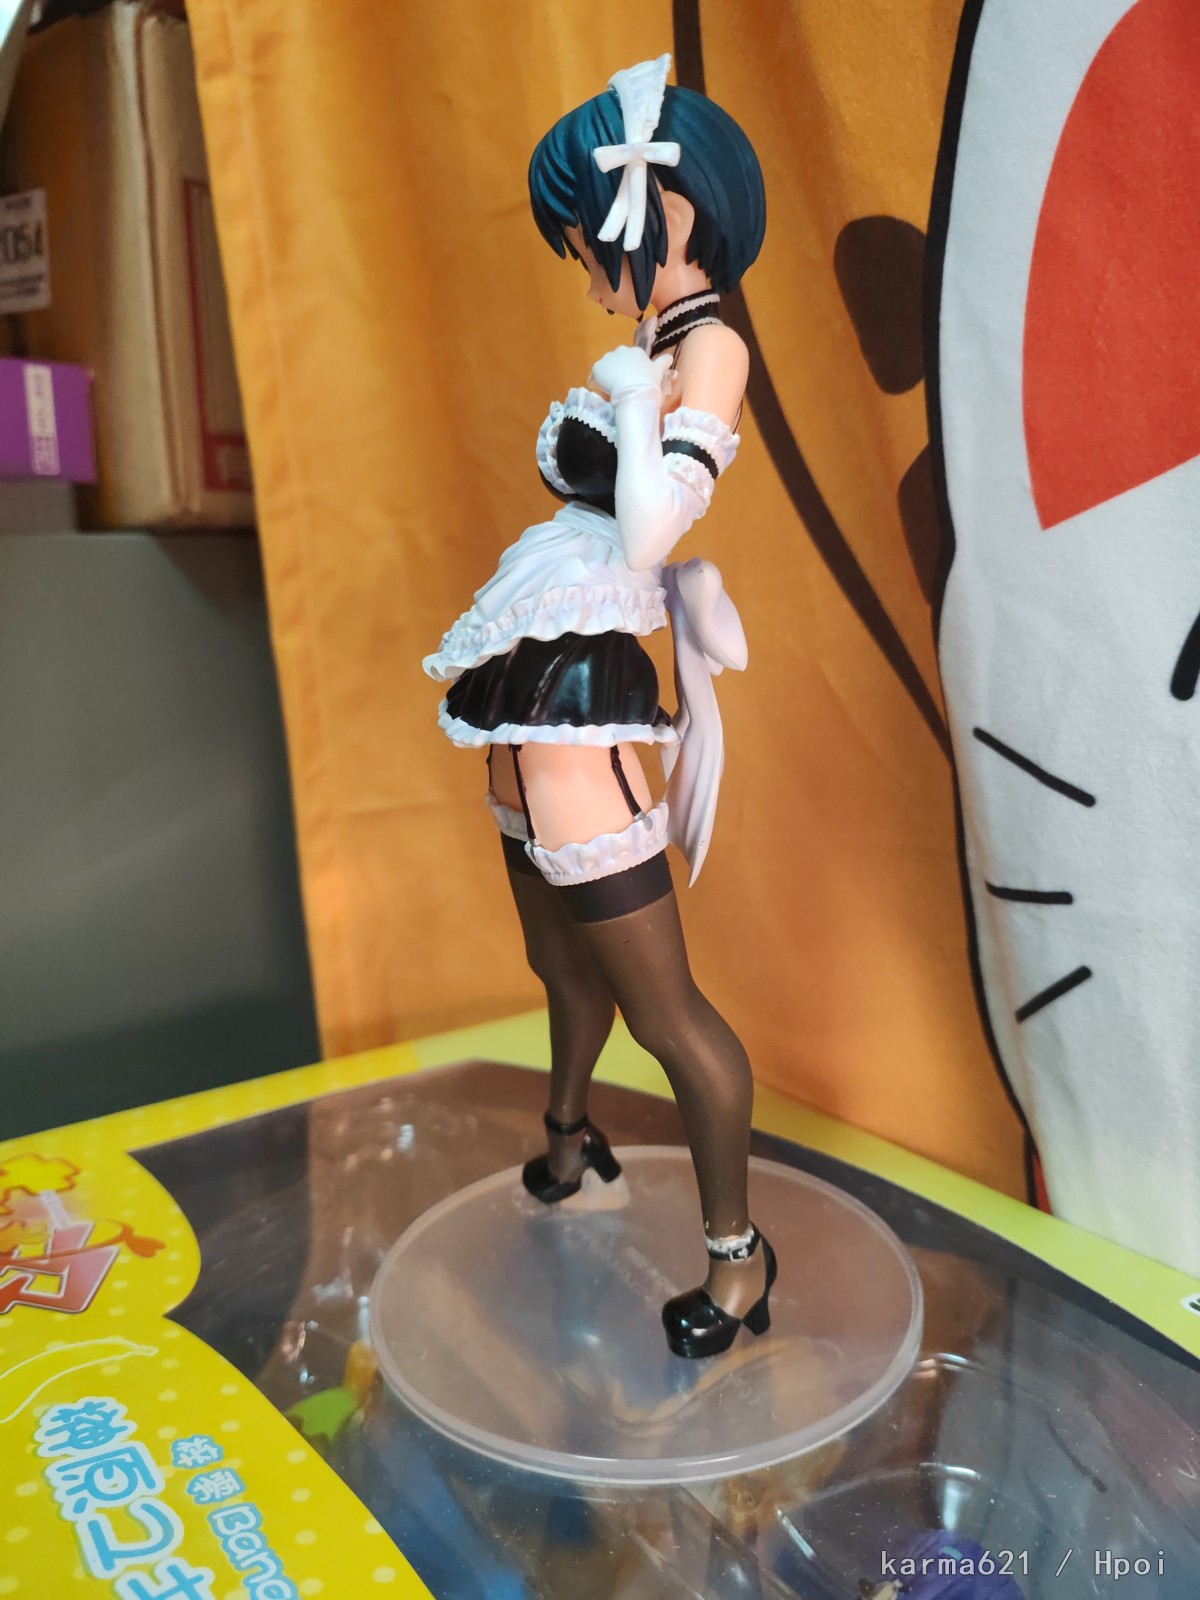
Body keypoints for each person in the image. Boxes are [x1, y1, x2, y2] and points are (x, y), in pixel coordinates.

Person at [424, 55, 772, 1359]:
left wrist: (632, 405)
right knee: (557, 962)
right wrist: (632, 385)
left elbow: (649, 530)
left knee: (666, 1013)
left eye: (587, 241)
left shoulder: (711, 350)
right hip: (529, 693)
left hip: (584, 702)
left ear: (659, 213)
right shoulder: (659, 346)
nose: (585, 272)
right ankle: (573, 1139)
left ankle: (738, 1262)